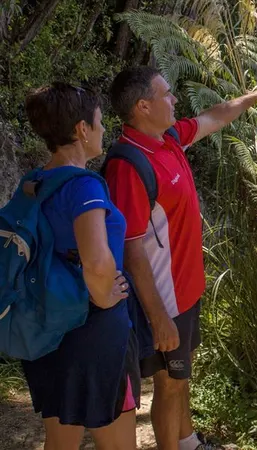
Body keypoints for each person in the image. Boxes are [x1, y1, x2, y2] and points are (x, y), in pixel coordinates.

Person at [104, 66, 257, 450]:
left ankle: (188, 443)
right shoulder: (129, 165)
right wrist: (157, 316)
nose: (175, 100)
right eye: (166, 94)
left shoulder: (168, 138)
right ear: (142, 106)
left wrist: (254, 97)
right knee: (169, 387)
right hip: (164, 300)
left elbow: (214, 116)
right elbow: (131, 249)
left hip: (186, 290)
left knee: (182, 379)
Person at [21, 82, 139, 450]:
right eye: (100, 122)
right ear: (81, 130)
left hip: (48, 326)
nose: (104, 130)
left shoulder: (33, 182)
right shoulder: (85, 187)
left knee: (60, 440)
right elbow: (99, 262)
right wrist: (106, 298)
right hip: (93, 335)